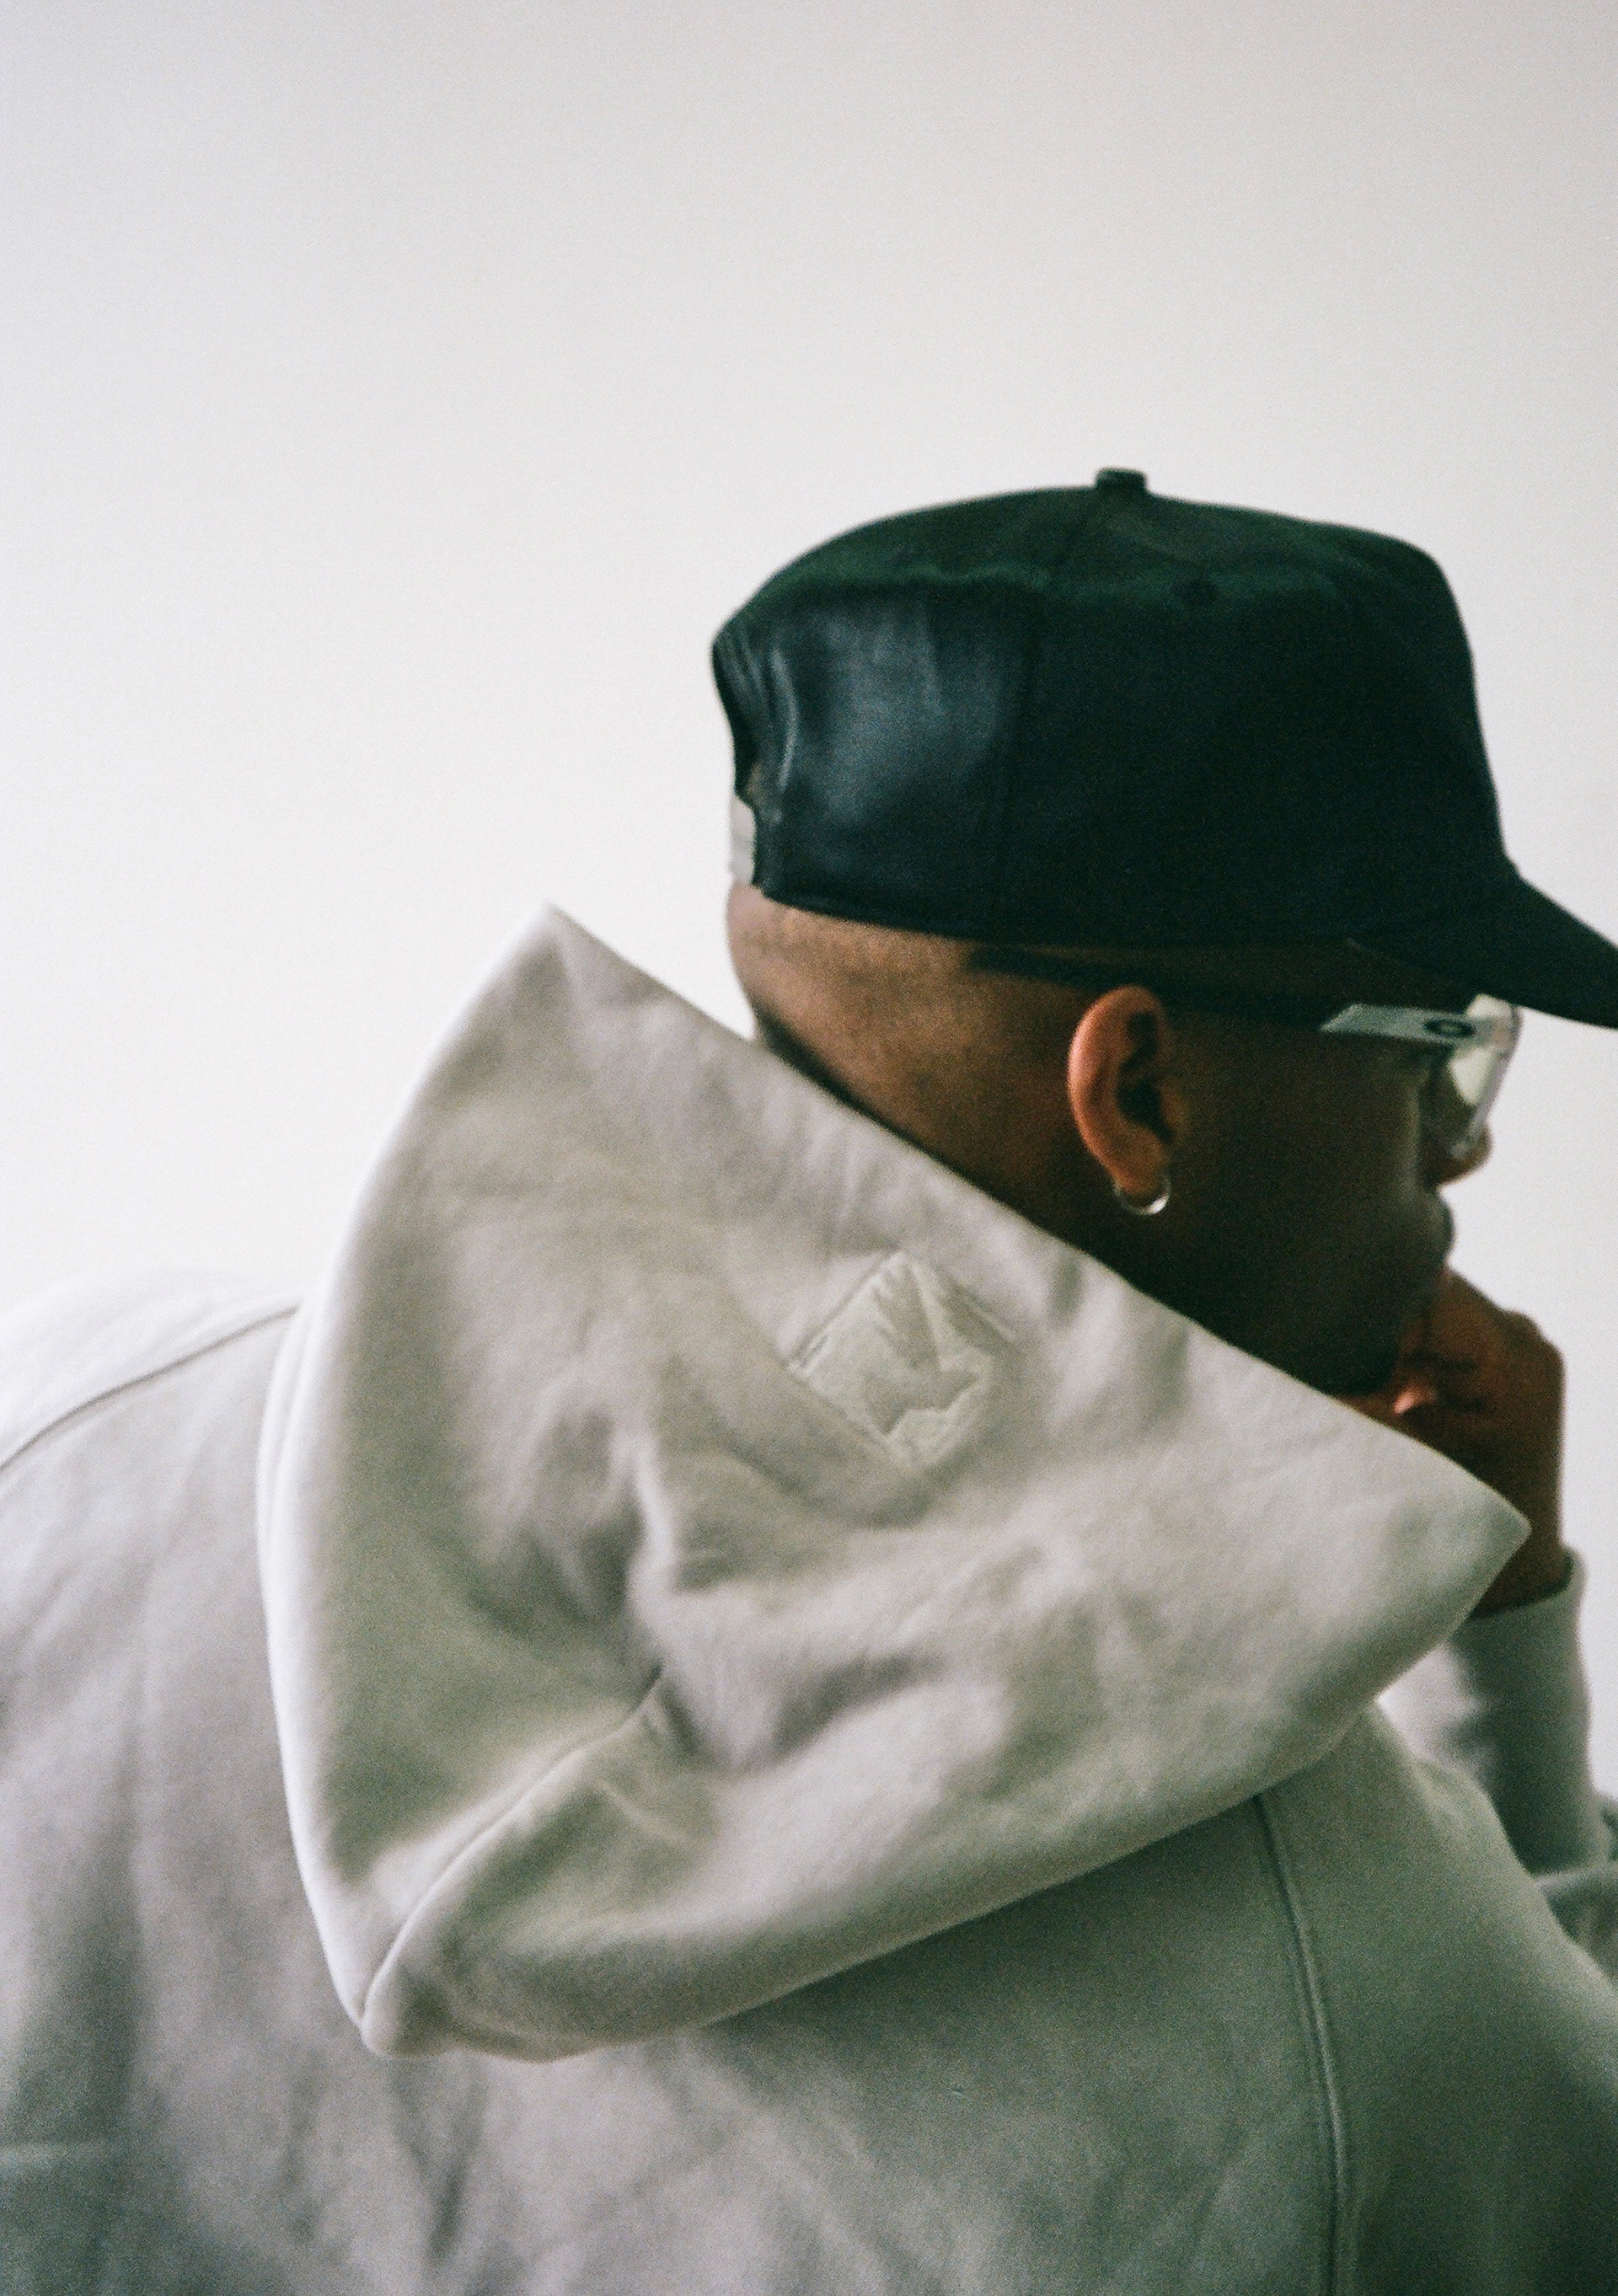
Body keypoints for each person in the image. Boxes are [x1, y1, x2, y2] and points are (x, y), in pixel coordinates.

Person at [3, 470, 1615, 2293]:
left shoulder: (68, 1429)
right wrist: (1505, 1678)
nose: (1460, 1149)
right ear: (1138, 1094)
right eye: (1437, 1052)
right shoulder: (1385, 1982)